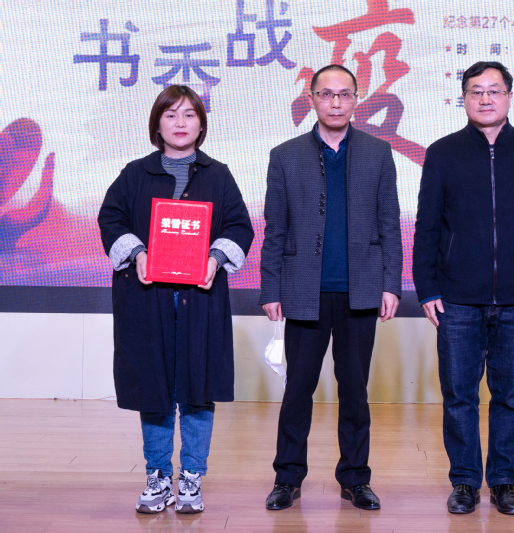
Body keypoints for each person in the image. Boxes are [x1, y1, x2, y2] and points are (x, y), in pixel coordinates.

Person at [412, 61, 514, 515]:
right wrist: (427, 288)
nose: (485, 98)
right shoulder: (442, 153)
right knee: (459, 396)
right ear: (463, 99)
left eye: (494, 90)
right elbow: (427, 227)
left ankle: (503, 481)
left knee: (511, 396)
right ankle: (464, 481)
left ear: (509, 97)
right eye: (476, 91)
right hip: (457, 298)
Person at [97, 85, 254, 514]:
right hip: (147, 300)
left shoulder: (218, 175)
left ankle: (191, 477)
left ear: (201, 125)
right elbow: (111, 218)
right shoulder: (135, 173)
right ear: (157, 124)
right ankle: (158, 476)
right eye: (170, 115)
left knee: (198, 388)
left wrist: (215, 258)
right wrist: (138, 252)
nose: (180, 123)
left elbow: (240, 226)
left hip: (199, 300)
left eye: (189, 115)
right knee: (155, 388)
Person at [259, 64, 402, 511]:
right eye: (326, 94)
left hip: (361, 290)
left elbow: (390, 225)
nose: (335, 102)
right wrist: (270, 288)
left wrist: (391, 283)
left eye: (344, 94)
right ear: (312, 99)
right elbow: (275, 229)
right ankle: (287, 477)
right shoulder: (285, 156)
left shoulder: (378, 153)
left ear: (356, 100)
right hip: (305, 290)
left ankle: (355, 478)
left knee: (355, 391)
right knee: (298, 389)